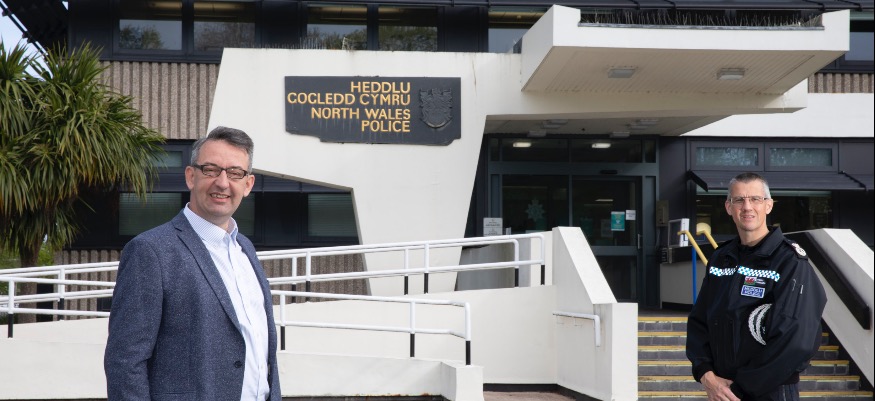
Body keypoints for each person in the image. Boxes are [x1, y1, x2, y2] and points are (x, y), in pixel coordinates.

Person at [105, 126, 281, 401]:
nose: (222, 183)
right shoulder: (150, 251)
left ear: (248, 184)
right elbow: (125, 362)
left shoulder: (245, 249)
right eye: (210, 170)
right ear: (191, 176)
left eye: (235, 173)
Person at [686, 172, 826, 401]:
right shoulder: (721, 258)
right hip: (722, 390)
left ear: (768, 206)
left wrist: (740, 389)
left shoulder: (789, 261)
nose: (747, 207)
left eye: (755, 199)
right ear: (728, 207)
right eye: (739, 200)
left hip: (770, 391)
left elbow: (796, 341)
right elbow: (699, 322)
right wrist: (705, 374)